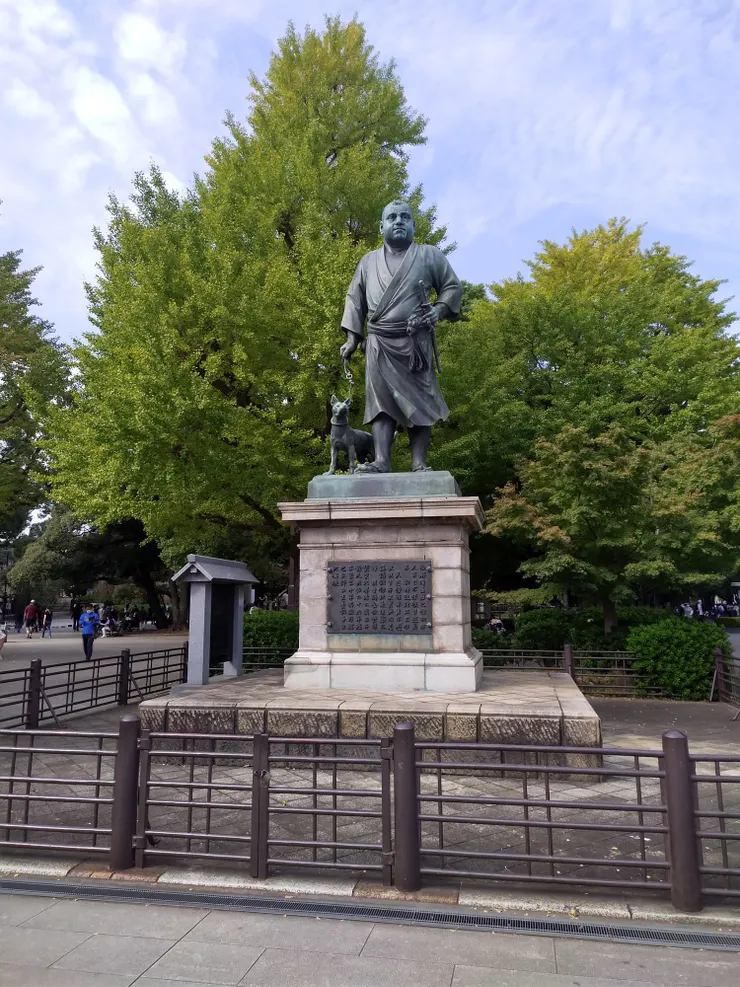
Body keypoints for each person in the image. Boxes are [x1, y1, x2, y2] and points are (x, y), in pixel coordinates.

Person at [340, 199, 462, 473]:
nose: (398, 221)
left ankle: (419, 462)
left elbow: (452, 287)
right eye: (392, 217)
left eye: (405, 217)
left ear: (413, 225)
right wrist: (352, 337)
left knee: (421, 400)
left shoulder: (429, 255)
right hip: (379, 341)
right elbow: (354, 299)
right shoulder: (368, 261)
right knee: (381, 403)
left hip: (415, 341)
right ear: (381, 225)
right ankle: (382, 460)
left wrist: (438, 310)